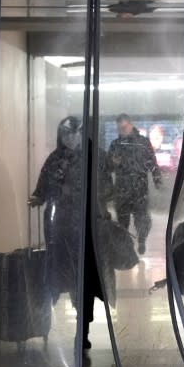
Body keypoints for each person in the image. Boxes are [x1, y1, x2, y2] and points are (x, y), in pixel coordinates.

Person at [29, 116, 111, 352]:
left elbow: (107, 186)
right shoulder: (55, 159)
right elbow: (43, 188)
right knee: (65, 277)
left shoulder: (94, 157)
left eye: (75, 134)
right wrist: (38, 198)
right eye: (67, 134)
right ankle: (78, 325)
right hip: (60, 231)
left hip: (85, 232)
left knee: (84, 281)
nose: (71, 139)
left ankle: (82, 330)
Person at [107, 114, 162, 255]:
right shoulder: (115, 145)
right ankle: (126, 245)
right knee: (122, 219)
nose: (122, 130)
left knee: (141, 217)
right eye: (119, 128)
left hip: (139, 188)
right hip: (122, 188)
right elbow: (108, 167)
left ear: (130, 125)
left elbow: (152, 161)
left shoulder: (142, 142)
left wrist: (157, 178)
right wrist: (113, 163)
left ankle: (142, 240)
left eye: (124, 127)